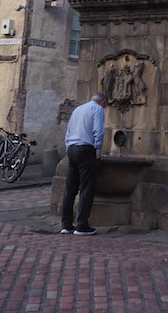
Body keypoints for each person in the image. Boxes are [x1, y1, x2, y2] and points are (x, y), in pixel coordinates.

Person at [61, 92, 107, 236]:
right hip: (86, 149)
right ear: (103, 103)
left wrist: (68, 148)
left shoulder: (78, 109)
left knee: (70, 189)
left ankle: (66, 224)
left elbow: (68, 131)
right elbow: (98, 131)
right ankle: (81, 225)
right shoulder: (97, 109)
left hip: (72, 148)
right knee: (86, 187)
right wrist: (98, 150)